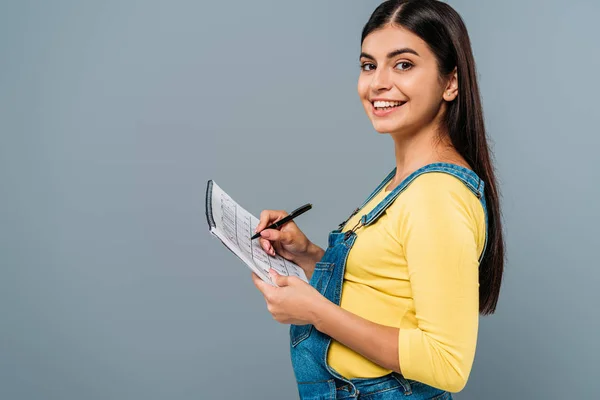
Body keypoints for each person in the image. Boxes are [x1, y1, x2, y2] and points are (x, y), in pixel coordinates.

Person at [251, 0, 505, 398]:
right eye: (369, 65)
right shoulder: (403, 182)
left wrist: (314, 311)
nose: (378, 83)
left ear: (450, 82)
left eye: (403, 64)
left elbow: (447, 363)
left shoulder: (436, 194)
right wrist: (306, 255)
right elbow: (383, 288)